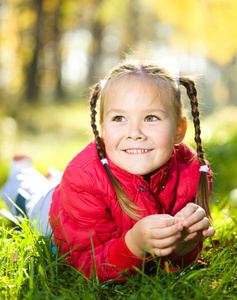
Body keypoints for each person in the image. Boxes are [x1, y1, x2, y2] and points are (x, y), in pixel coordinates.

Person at [1, 58, 215, 281]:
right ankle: (21, 174)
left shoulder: (192, 173)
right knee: (28, 200)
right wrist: (134, 244)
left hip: (82, 196)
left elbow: (172, 260)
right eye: (119, 118)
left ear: (179, 129)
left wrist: (184, 247)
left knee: (66, 186)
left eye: (151, 118)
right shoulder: (84, 178)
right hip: (54, 214)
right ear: (102, 129)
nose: (135, 133)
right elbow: (89, 264)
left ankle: (55, 180)